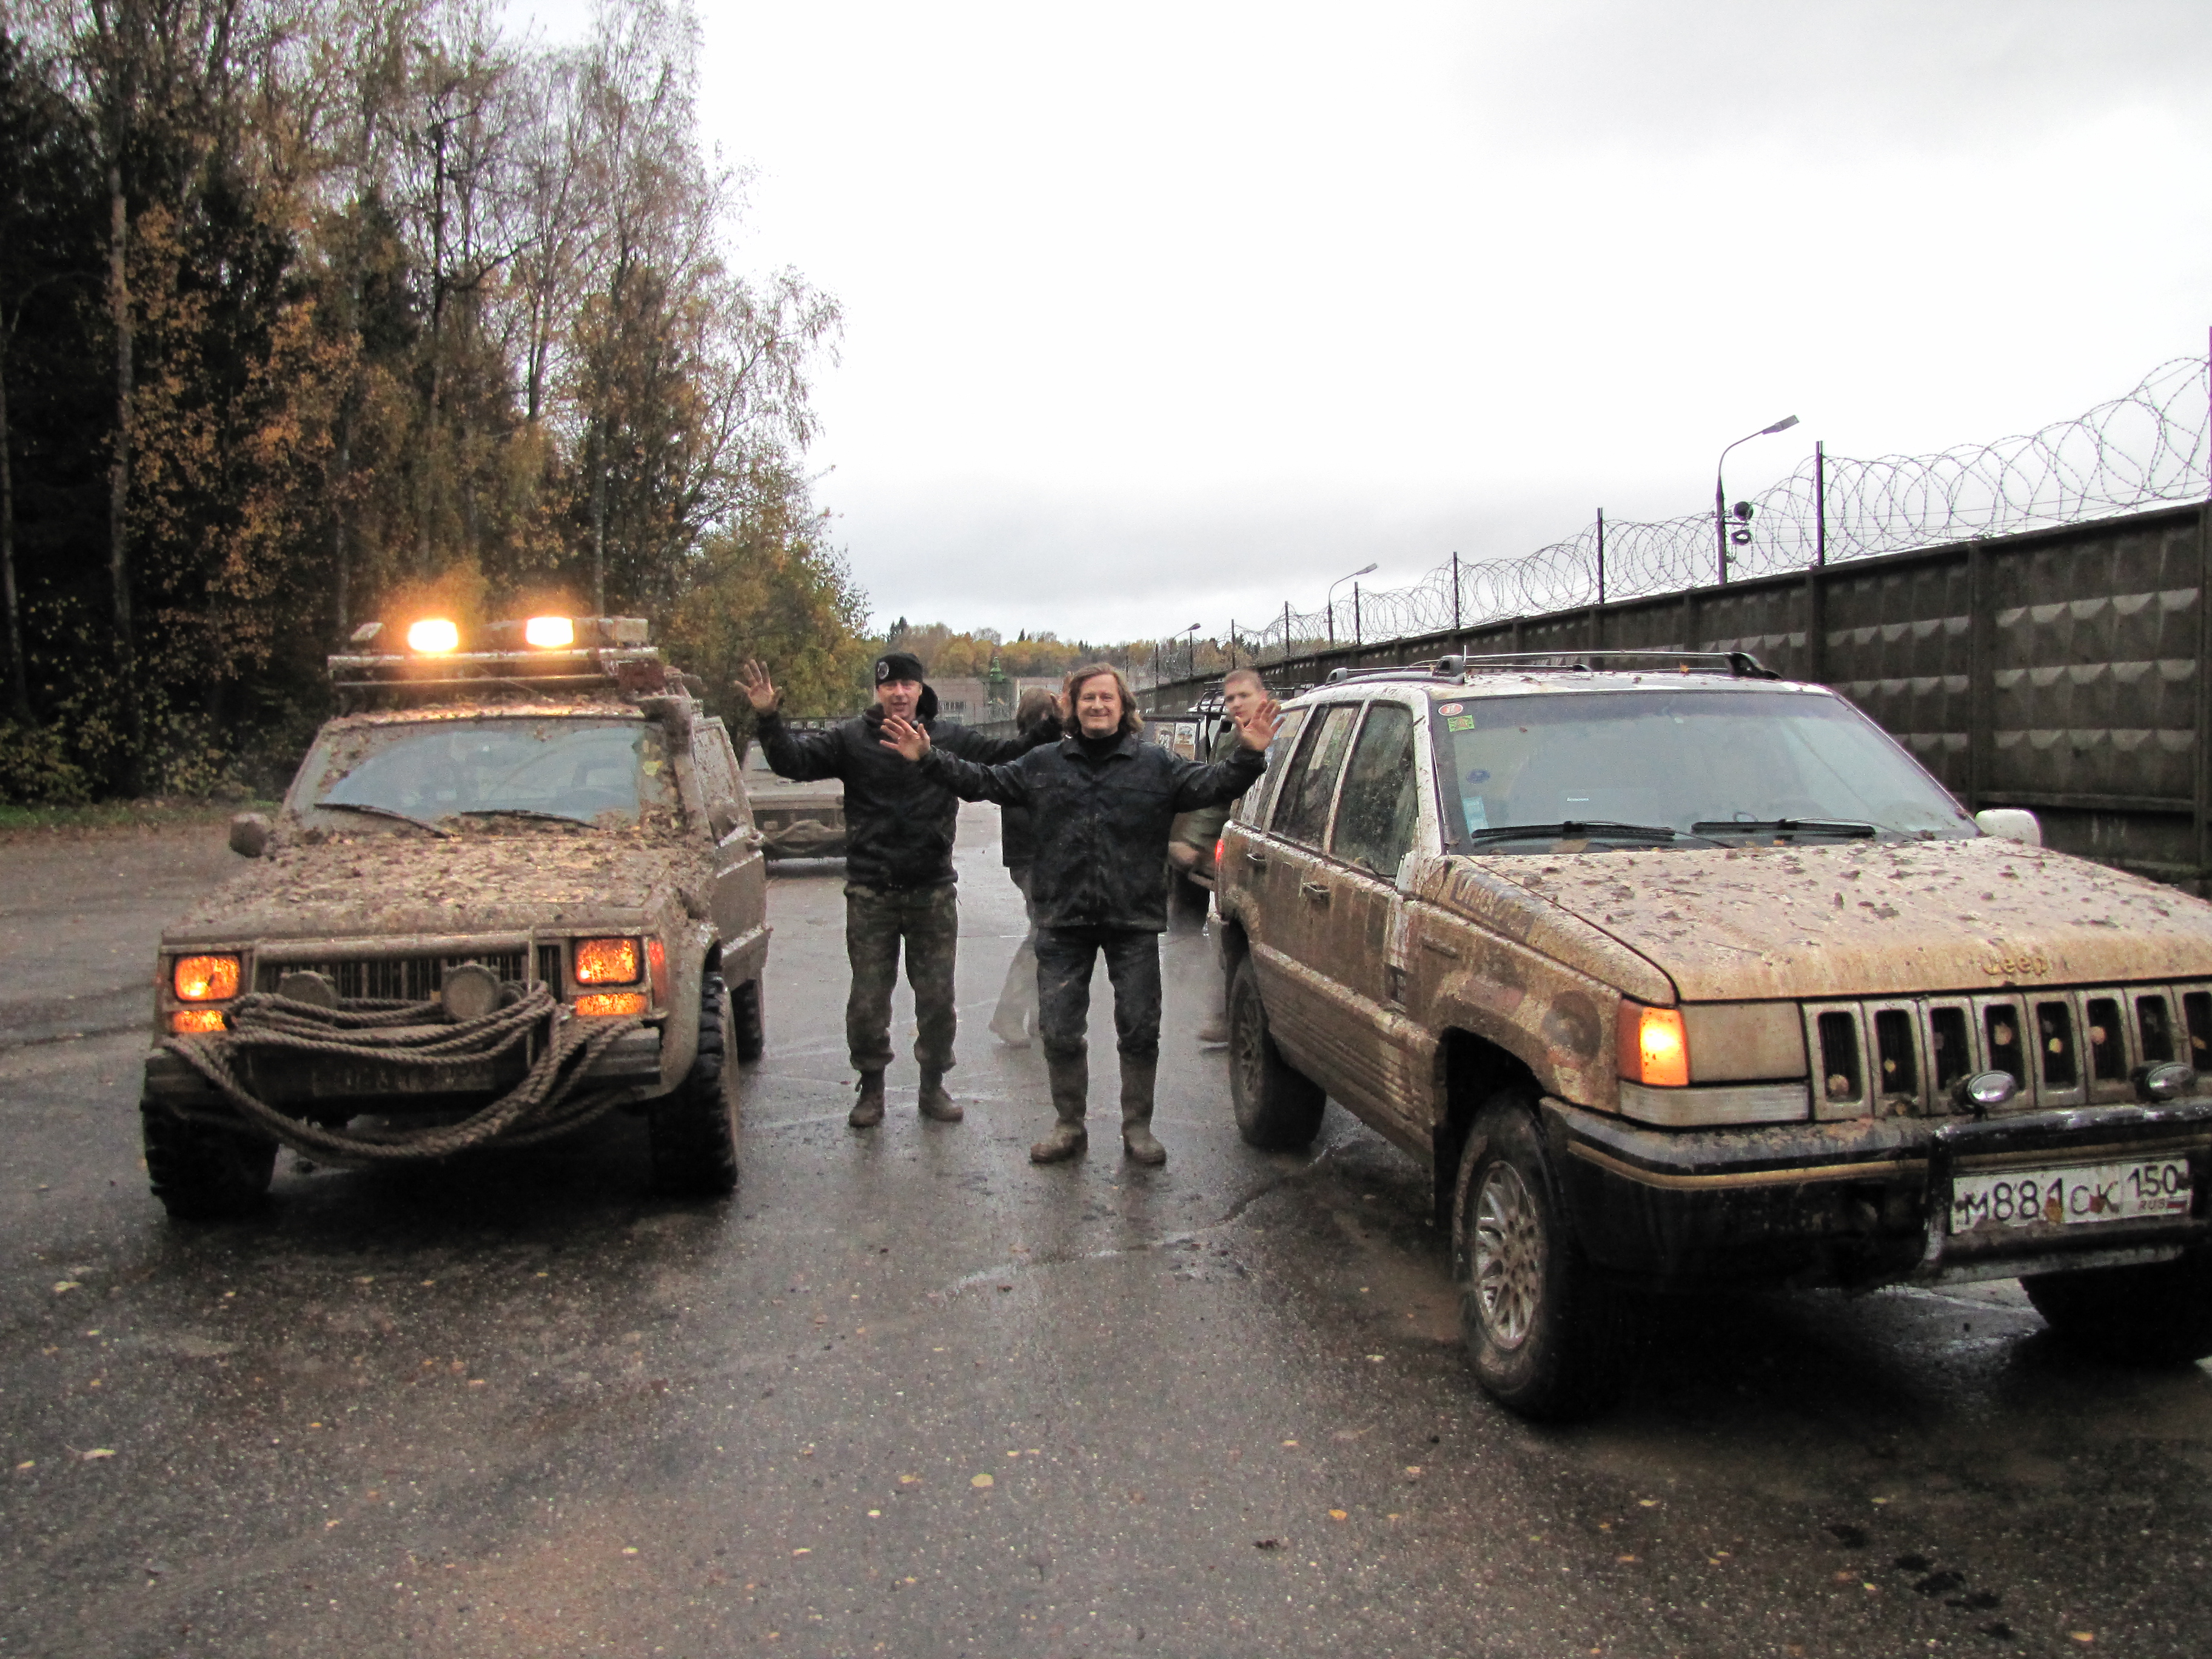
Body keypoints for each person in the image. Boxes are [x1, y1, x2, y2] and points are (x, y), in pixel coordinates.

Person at [882, 662, 1278, 1166]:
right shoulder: (1043, 763)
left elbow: (1215, 784)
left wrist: (1249, 754)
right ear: (1073, 708)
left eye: (1107, 697)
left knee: (1140, 1030)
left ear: (1123, 706)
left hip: (1132, 919)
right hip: (1063, 919)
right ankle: (1069, 1124)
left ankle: (1138, 1128)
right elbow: (982, 780)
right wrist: (928, 758)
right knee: (1061, 1030)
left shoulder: (1155, 765)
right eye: (1088, 698)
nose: (1097, 705)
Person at [738, 651, 1056, 1129]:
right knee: (868, 1001)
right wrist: (768, 717)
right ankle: (871, 1087)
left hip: (932, 891)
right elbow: (793, 760)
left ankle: (933, 1085)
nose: (900, 693)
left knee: (937, 1000)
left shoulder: (946, 738)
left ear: (920, 689)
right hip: (872, 893)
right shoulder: (852, 739)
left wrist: (1054, 723)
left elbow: (1006, 755)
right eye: (890, 686)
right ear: (879, 691)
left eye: (908, 684)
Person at [1165, 666, 1270, 1044]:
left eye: (1244, 695)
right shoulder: (1231, 736)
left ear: (1263, 696)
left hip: (1262, 844)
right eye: (1230, 698)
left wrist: (1193, 843)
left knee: (1238, 931)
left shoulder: (1283, 729)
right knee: (1221, 926)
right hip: (1239, 843)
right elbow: (1216, 793)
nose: (1237, 703)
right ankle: (1218, 1009)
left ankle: (1228, 1012)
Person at [987, 687, 1061, 1047]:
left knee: (1046, 933)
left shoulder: (1019, 751)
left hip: (1027, 857)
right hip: (1036, 857)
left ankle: (1039, 1016)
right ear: (1046, 717)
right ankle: (1010, 1014)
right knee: (1043, 935)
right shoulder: (1037, 755)